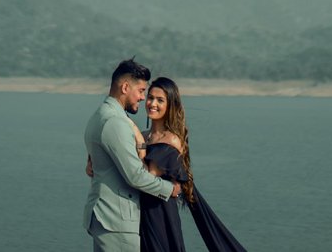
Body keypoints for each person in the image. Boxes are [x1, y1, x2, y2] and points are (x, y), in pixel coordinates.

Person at [136, 76, 249, 252]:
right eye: (150, 98)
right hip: (140, 213)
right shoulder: (143, 136)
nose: (152, 103)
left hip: (160, 215)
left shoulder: (171, 140)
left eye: (160, 100)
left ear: (170, 105)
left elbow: (146, 176)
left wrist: (137, 139)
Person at [84, 59, 182, 252]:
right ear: (125, 87)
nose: (142, 98)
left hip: (107, 219)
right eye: (141, 91)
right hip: (116, 221)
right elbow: (135, 175)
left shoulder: (102, 115)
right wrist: (170, 189)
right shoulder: (115, 122)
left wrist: (138, 135)